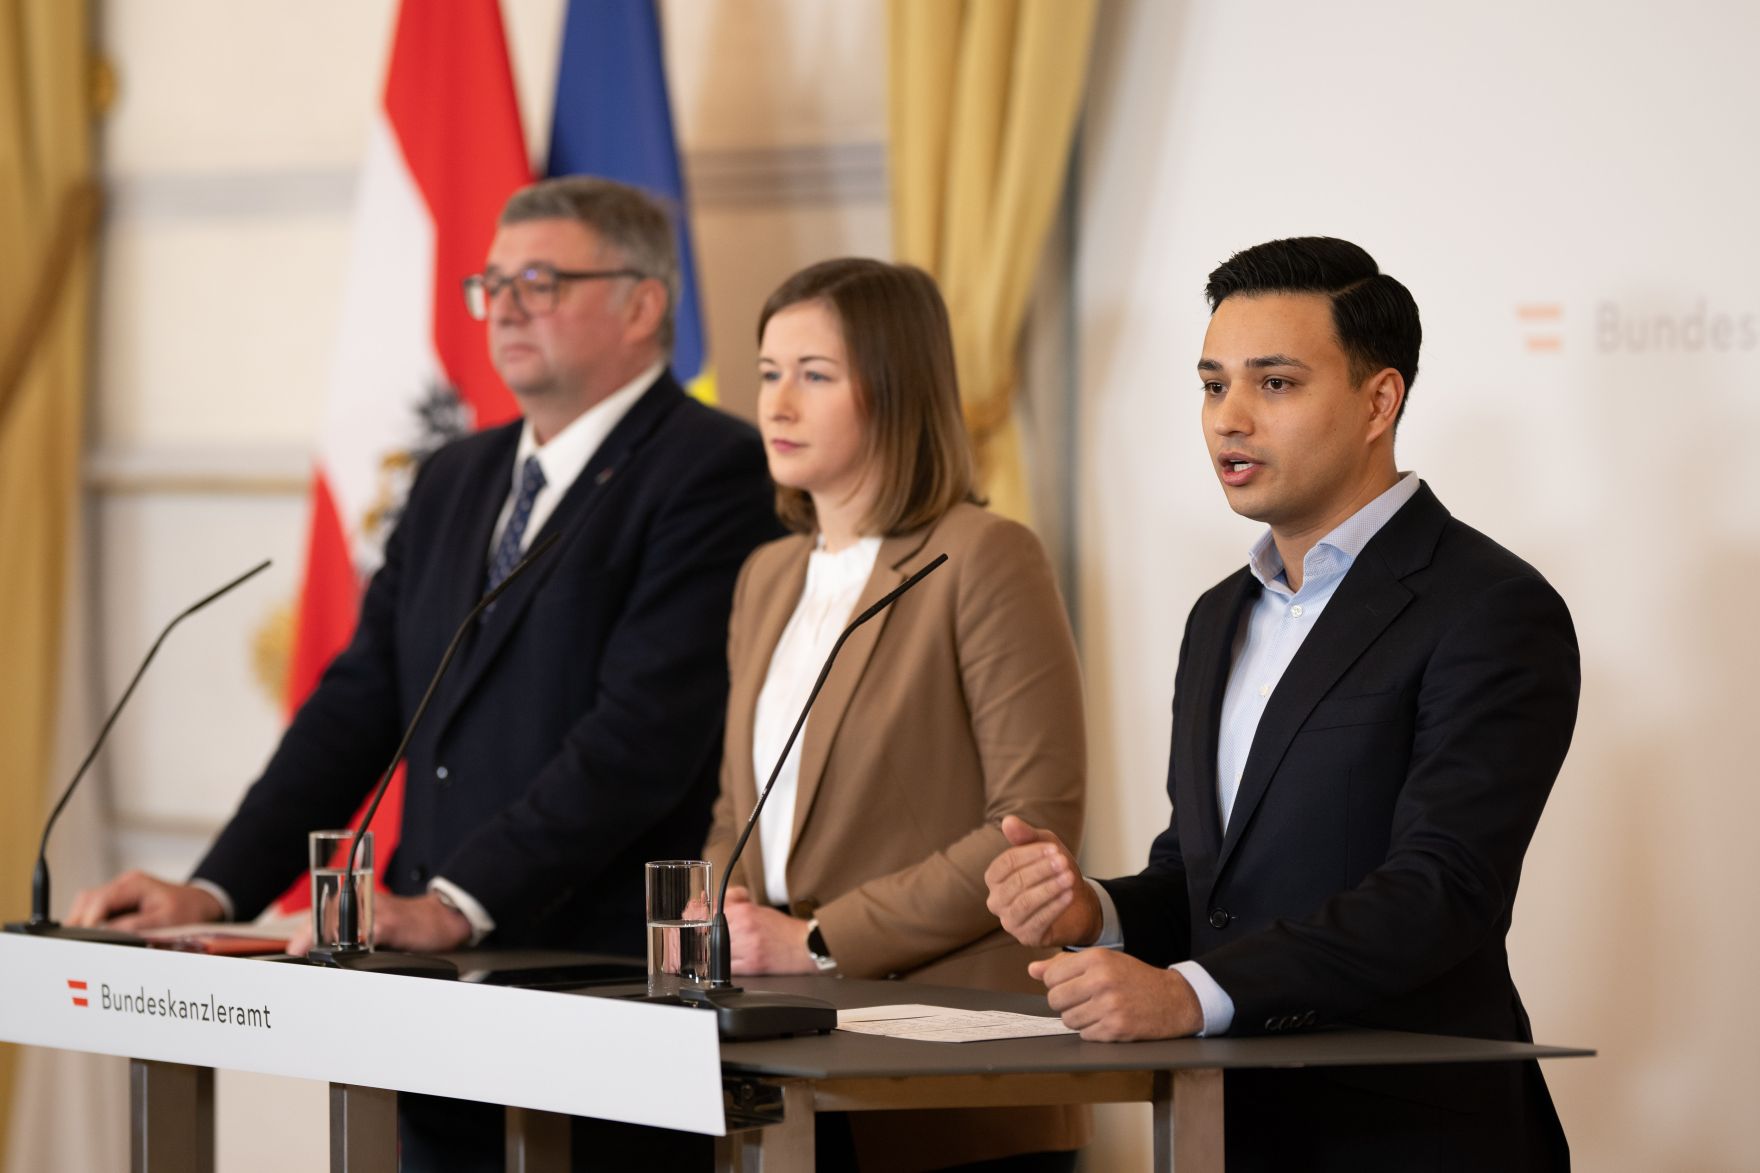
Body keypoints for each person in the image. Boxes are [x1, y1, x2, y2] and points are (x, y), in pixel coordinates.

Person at [70, 176, 780, 1169]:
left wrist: (460, 899)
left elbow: (641, 739)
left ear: (642, 302)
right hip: (428, 996)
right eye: (491, 282)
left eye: (541, 279)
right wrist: (218, 890)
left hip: (594, 985)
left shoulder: (710, 470)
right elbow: (360, 704)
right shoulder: (456, 476)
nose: (507, 306)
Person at [984, 237, 1579, 1171]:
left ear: (1380, 400)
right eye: (1213, 385)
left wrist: (1189, 994)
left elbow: (1441, 891)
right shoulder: (1216, 616)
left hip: (1408, 1134)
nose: (1231, 420)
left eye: (1276, 384)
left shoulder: (1491, 606)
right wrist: (1090, 911)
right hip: (1229, 1124)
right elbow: (1205, 884)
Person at [702, 258, 1090, 1172]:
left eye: (816, 374)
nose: (778, 403)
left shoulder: (984, 556)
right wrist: (719, 904)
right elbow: (737, 806)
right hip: (777, 1064)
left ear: (897, 389)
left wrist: (820, 940)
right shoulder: (767, 575)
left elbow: (1028, 828)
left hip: (947, 1068)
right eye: (767, 373)